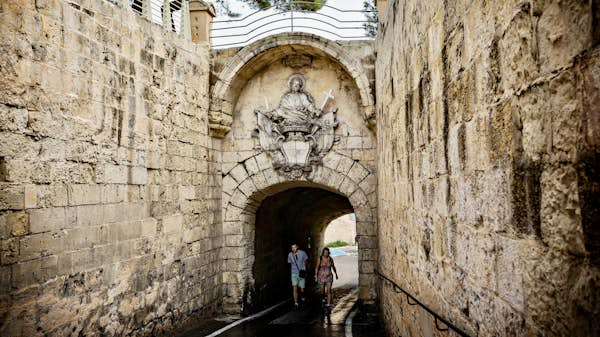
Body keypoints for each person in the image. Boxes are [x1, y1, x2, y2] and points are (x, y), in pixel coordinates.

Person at [287, 243, 309, 308]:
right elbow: (289, 263)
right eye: (292, 247)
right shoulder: (290, 255)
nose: (293, 249)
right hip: (294, 273)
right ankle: (296, 303)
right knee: (294, 287)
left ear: (297, 247)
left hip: (301, 273)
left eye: (294, 247)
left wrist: (305, 270)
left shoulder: (303, 253)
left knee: (302, 289)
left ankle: (302, 295)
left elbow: (306, 261)